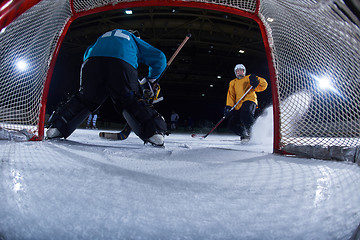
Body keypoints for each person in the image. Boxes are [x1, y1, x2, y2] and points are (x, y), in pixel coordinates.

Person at [46, 29, 167, 146]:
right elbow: (160, 58)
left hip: (91, 62)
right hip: (122, 60)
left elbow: (87, 55)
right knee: (128, 100)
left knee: (85, 99)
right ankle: (154, 132)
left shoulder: (104, 37)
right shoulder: (133, 39)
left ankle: (57, 127)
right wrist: (151, 80)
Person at [224, 64, 268, 142]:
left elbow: (264, 85)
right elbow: (231, 95)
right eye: (237, 71)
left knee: (245, 114)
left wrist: (256, 81)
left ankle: (254, 133)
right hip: (238, 105)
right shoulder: (232, 82)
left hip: (249, 100)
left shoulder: (249, 78)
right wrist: (228, 106)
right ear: (235, 72)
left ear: (244, 71)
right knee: (232, 124)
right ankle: (244, 135)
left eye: (241, 70)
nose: (239, 72)